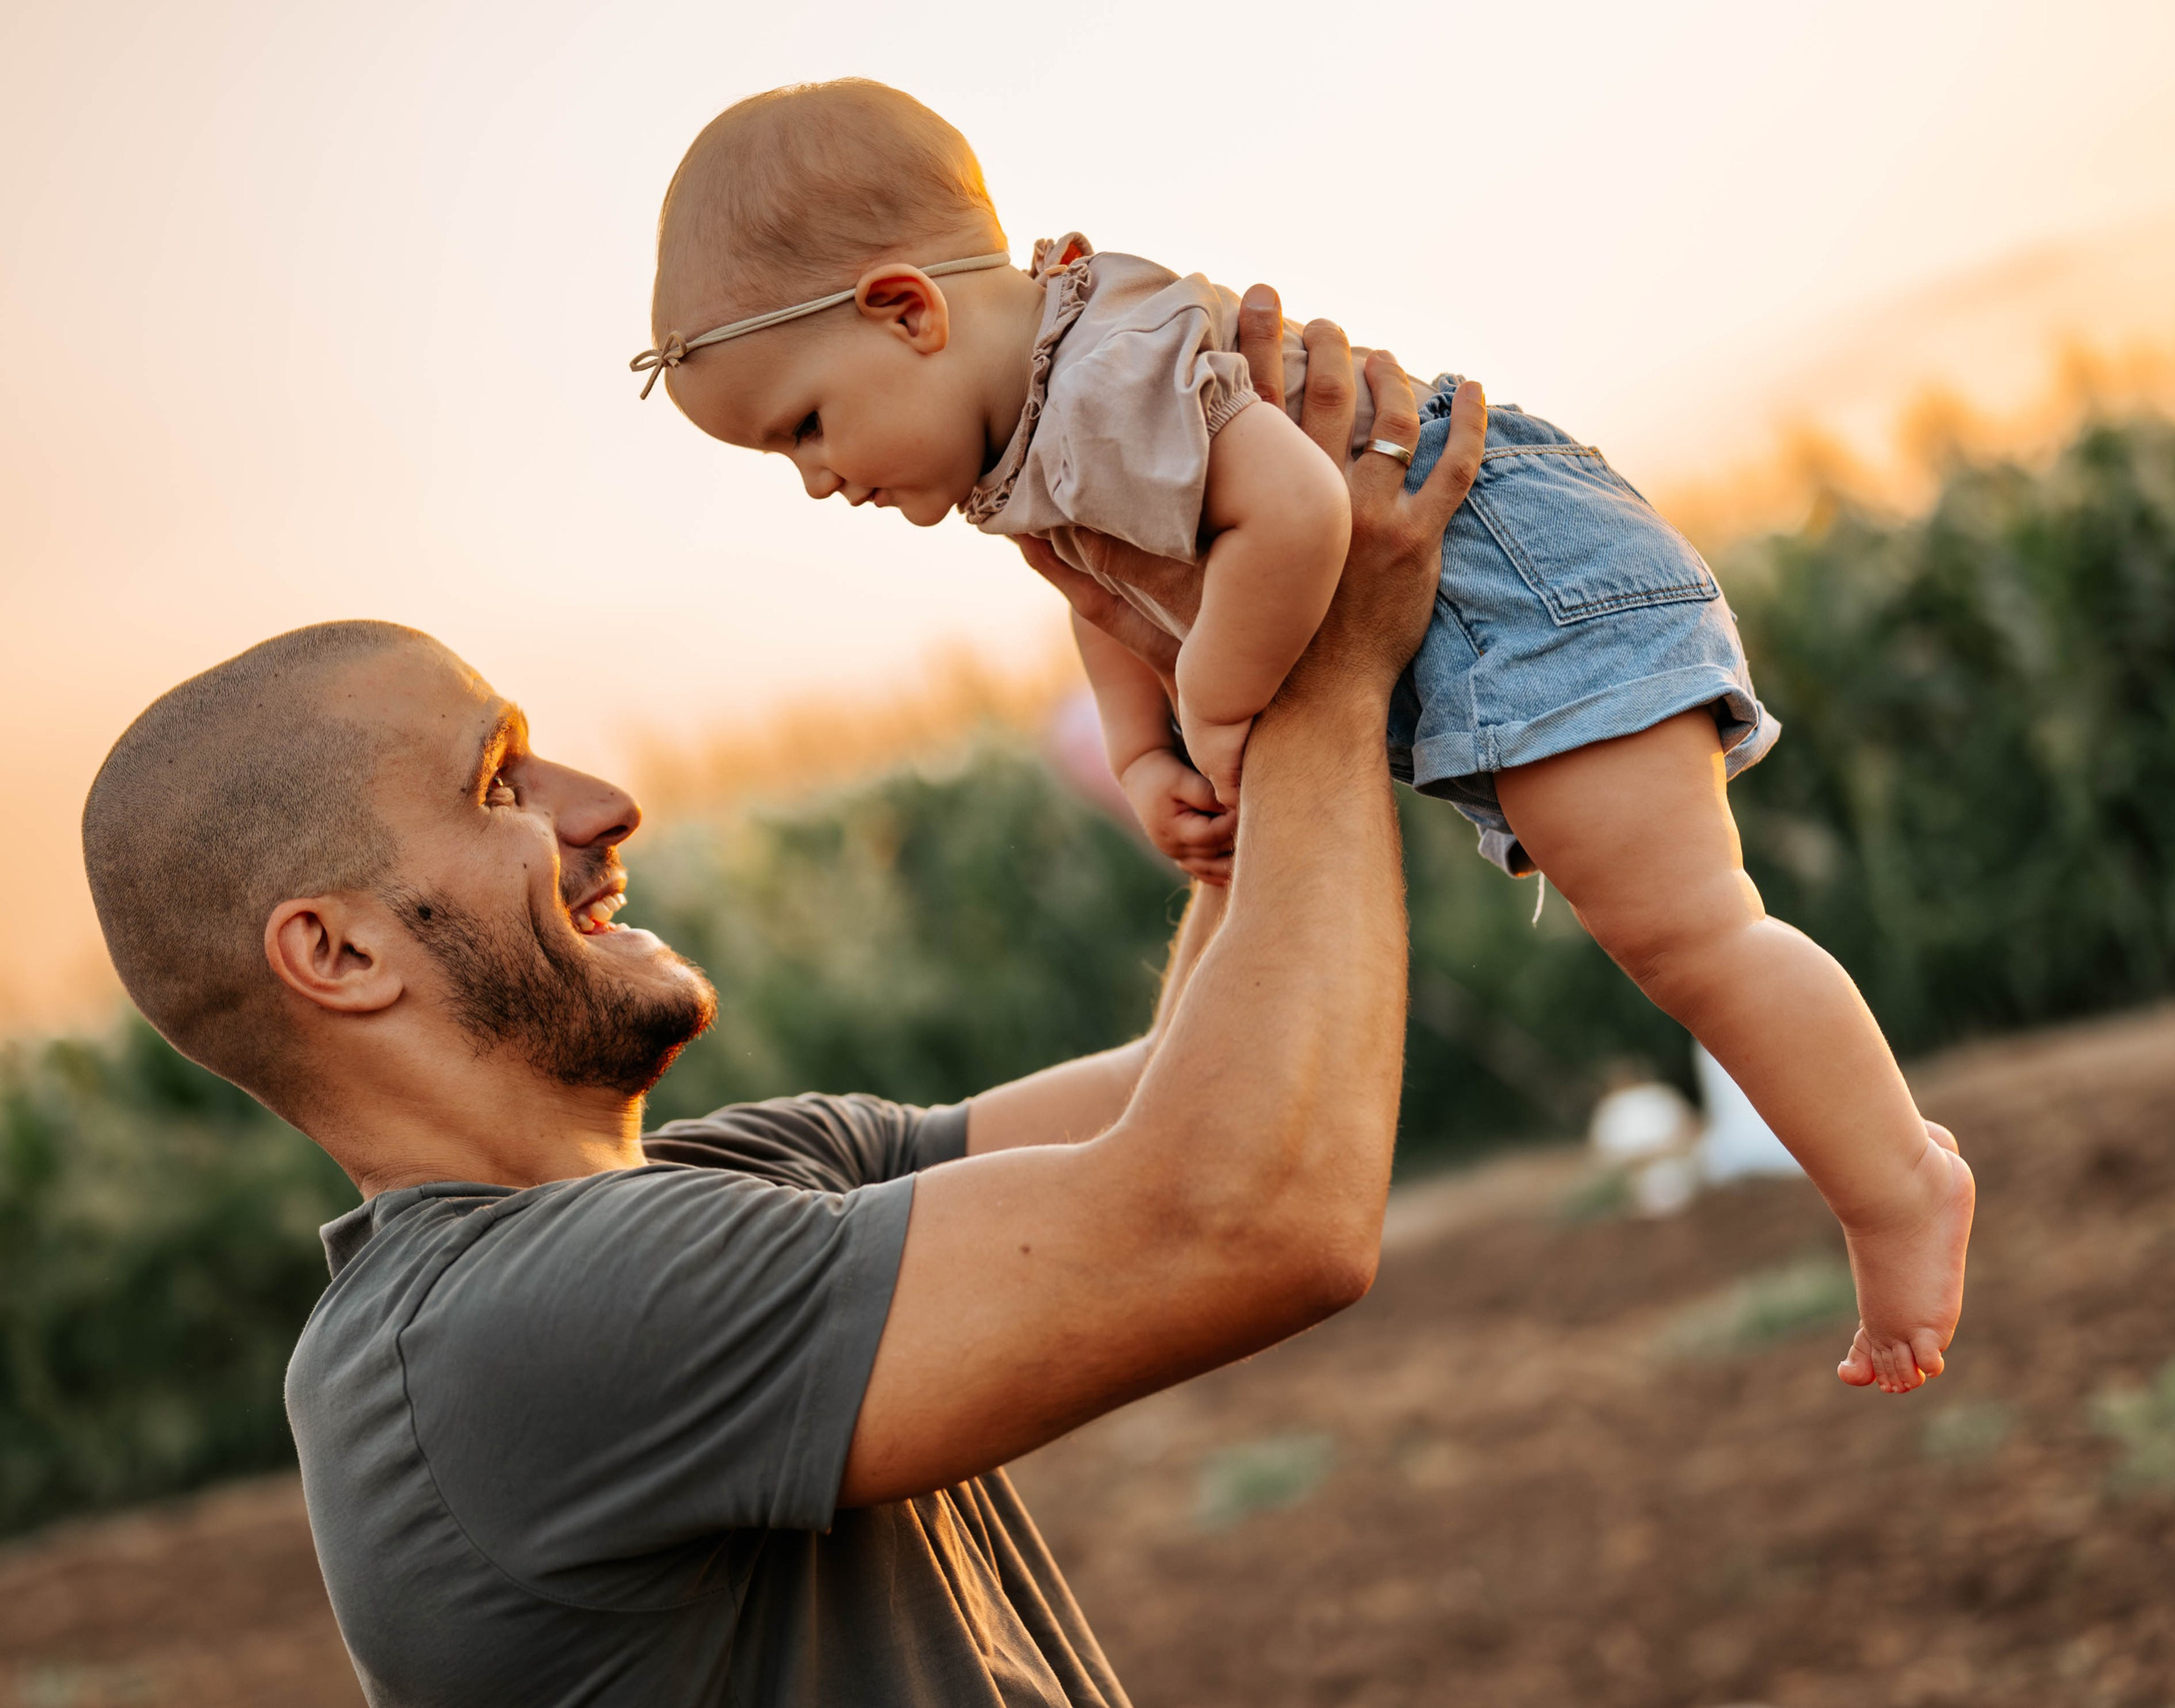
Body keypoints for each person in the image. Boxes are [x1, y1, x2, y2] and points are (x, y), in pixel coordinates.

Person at [78, 314, 1480, 1706]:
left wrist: (1234, 661)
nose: (606, 804)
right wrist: (1330, 653)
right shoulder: (499, 1342)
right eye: (499, 785)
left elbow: (1201, 1089)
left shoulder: (738, 1176)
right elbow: (1253, 1210)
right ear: (337, 952)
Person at [635, 78, 1972, 1396]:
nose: (816, 479)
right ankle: (1889, 1172)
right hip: (1479, 604)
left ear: (907, 309)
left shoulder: (1098, 377)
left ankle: (1898, 1183)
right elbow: (1102, 594)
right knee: (1671, 929)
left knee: (1688, 931)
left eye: (805, 425)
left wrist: (1216, 702)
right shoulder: (1038, 424)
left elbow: (1297, 510)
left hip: (1512, 578)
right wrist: (1146, 751)